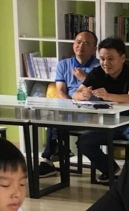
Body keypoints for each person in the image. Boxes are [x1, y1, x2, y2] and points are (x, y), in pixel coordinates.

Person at [73, 36, 129, 183]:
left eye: (110, 59)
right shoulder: (97, 73)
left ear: (122, 58)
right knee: (84, 141)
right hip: (107, 122)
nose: (105, 63)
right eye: (102, 59)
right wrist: (83, 94)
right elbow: (75, 94)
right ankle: (110, 169)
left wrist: (107, 95)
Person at [38, 30, 100, 178]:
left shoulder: (100, 66)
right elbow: (60, 91)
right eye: (78, 42)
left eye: (86, 43)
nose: (81, 46)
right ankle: (49, 158)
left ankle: (55, 154)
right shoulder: (63, 64)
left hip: (91, 112)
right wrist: (70, 107)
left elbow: (101, 91)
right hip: (69, 110)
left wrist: (85, 78)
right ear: (73, 45)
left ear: (94, 48)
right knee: (52, 119)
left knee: (55, 121)